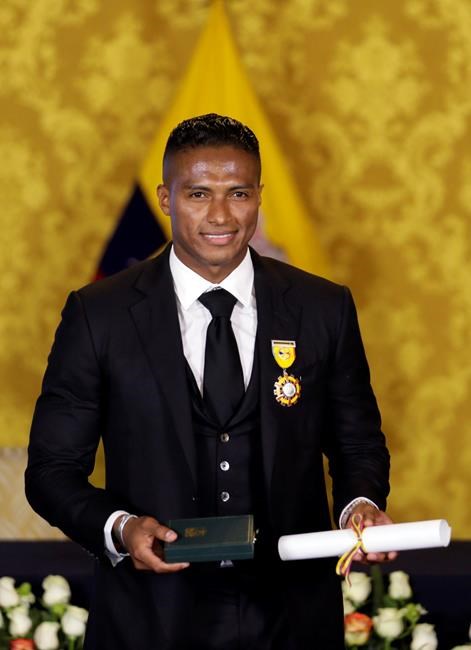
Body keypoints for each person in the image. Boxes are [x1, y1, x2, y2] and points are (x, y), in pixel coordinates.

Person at [26, 113, 395, 649]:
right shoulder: (98, 314)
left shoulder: (323, 307)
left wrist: (357, 505)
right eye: (198, 194)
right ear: (165, 198)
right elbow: (52, 471)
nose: (220, 215)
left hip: (292, 615)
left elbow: (357, 443)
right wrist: (122, 527)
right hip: (150, 616)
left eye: (238, 193)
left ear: (259, 196)